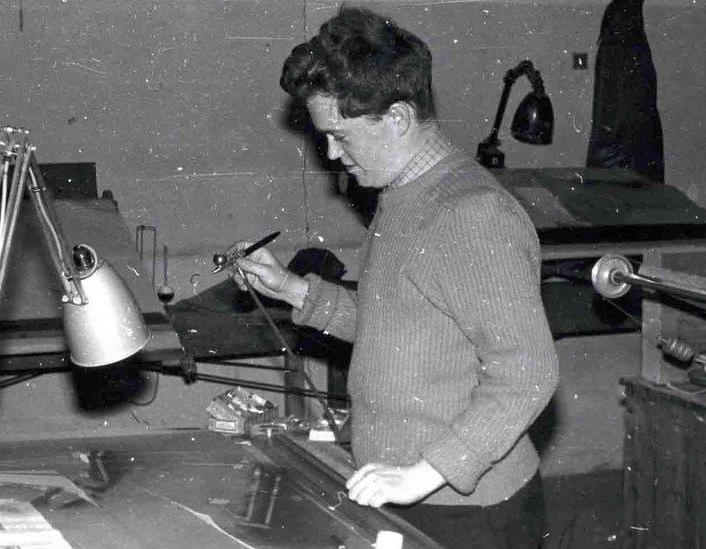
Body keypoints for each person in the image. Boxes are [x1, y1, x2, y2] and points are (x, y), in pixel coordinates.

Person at [231, 7, 559, 548]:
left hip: (465, 510)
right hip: (403, 490)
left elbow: (528, 371)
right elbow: (399, 328)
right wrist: (293, 290)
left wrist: (424, 473)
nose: (333, 154)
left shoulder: (469, 213)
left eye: (340, 135)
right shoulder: (401, 194)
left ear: (399, 118)